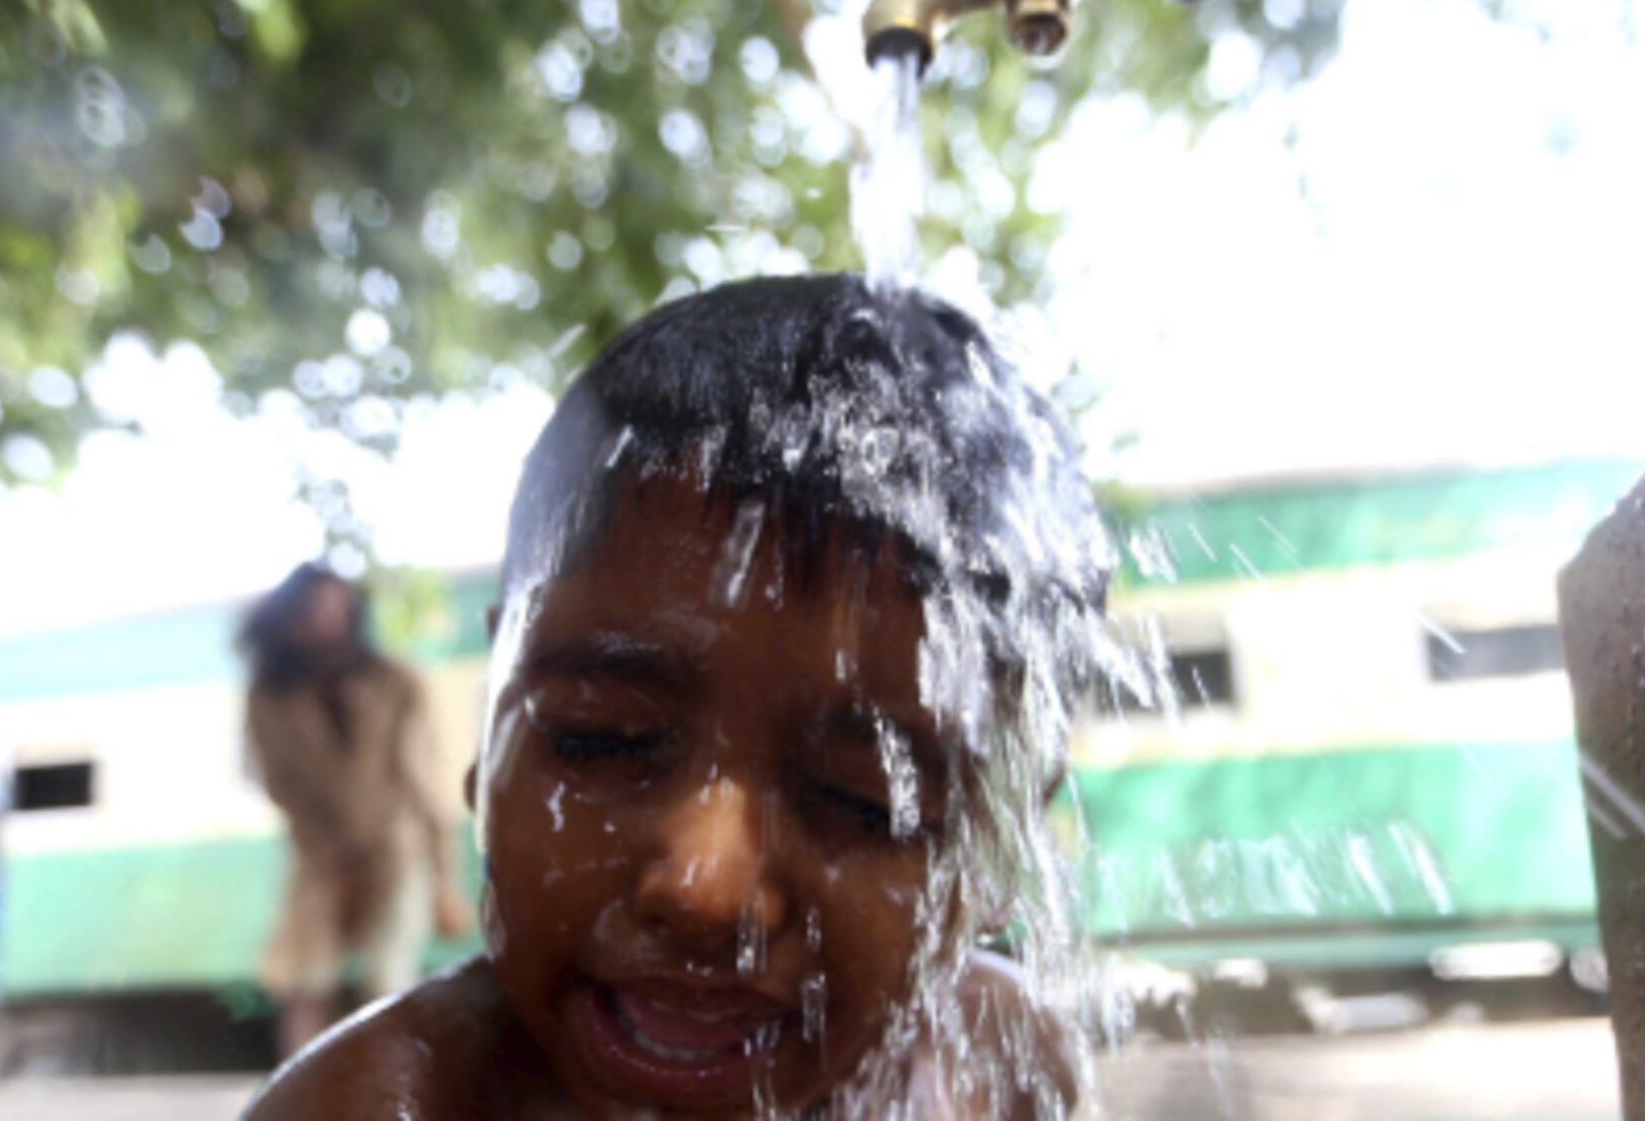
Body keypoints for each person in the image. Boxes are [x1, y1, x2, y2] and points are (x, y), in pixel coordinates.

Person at [243, 275, 1117, 1120]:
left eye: (865, 798)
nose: (706, 887)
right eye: (599, 740)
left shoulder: (996, 1069)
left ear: (1005, 844)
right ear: (492, 734)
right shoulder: (382, 1108)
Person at [240, 561, 475, 1062]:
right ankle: (298, 1101)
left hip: (397, 850)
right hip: (319, 857)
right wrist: (330, 844)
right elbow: (279, 783)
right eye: (310, 612)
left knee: (386, 980)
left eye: (334, 609)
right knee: (305, 979)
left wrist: (444, 878)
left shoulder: (395, 681)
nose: (323, 622)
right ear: (287, 619)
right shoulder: (268, 697)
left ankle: (385, 1093)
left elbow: (423, 783)